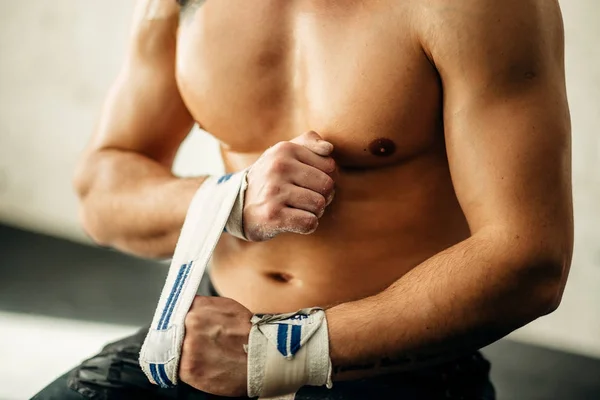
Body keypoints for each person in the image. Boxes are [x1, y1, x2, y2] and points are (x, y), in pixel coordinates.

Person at [33, 0, 573, 398]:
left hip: (392, 369)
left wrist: (279, 350)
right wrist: (229, 200)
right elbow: (101, 193)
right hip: (209, 347)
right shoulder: (177, 6)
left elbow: (528, 260)